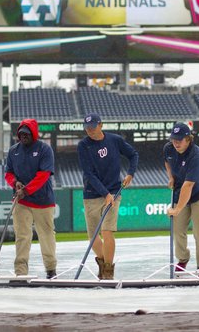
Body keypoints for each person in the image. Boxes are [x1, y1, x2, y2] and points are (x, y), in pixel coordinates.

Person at [77, 113, 139, 279]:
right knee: (92, 237)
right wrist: (104, 194)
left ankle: (108, 271)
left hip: (114, 191)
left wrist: (130, 174)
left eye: (93, 127)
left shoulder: (114, 140)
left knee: (107, 231)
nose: (90, 131)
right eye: (87, 128)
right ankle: (103, 261)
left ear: (101, 125)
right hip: (92, 194)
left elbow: (133, 155)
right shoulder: (83, 145)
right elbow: (88, 173)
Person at [5, 119, 58, 278]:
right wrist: (15, 183)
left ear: (34, 134)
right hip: (22, 202)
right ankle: (20, 272)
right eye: (21, 134)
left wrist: (26, 190)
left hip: (43, 201)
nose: (23, 137)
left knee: (46, 235)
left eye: (27, 134)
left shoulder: (44, 149)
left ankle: (50, 269)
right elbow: (8, 173)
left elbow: (43, 175)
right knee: (22, 236)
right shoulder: (13, 151)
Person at [164, 122, 199, 273]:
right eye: (173, 139)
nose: (175, 143)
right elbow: (167, 162)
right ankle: (183, 259)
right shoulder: (168, 148)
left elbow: (188, 186)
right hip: (180, 190)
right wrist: (171, 176)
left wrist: (177, 209)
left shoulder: (197, 155)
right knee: (178, 229)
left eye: (179, 139)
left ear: (188, 139)